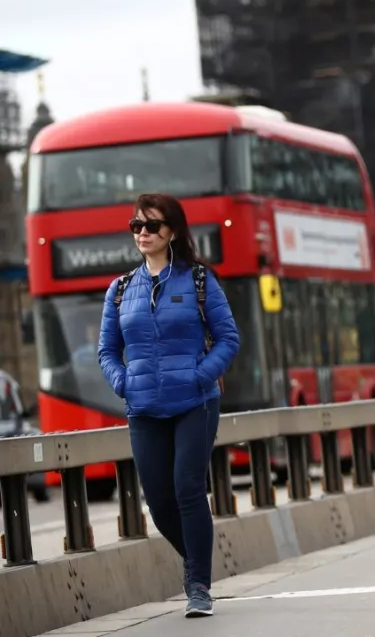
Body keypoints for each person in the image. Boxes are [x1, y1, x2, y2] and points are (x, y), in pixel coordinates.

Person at [98, 193, 240, 617]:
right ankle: (196, 561)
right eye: (136, 226)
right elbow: (107, 350)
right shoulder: (121, 290)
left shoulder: (199, 280)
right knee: (158, 502)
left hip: (195, 403)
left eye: (152, 226)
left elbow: (229, 338)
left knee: (188, 489)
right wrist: (123, 383)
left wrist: (198, 375)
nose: (142, 233)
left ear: (172, 232)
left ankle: (198, 585)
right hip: (143, 408)